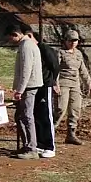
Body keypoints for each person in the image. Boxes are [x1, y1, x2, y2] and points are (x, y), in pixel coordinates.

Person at [6, 23, 43, 160]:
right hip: (28, 86)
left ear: (15, 34)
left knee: (27, 116)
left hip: (29, 87)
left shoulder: (26, 46)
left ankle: (32, 148)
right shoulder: (26, 44)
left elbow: (26, 70)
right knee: (20, 116)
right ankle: (27, 145)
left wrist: (20, 90)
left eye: (10, 38)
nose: (10, 41)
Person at [57, 30, 91, 145]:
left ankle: (71, 134)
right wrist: (55, 84)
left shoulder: (78, 53)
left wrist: (89, 84)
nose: (73, 43)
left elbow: (83, 70)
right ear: (65, 41)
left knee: (75, 109)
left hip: (75, 84)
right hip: (63, 83)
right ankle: (48, 132)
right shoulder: (60, 53)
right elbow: (55, 70)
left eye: (75, 40)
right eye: (71, 40)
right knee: (60, 109)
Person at [29, 27, 59, 159]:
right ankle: (40, 144)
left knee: (46, 116)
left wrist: (53, 82)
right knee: (37, 115)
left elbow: (55, 66)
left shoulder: (45, 49)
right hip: (35, 86)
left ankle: (50, 146)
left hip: (45, 85)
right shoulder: (31, 50)